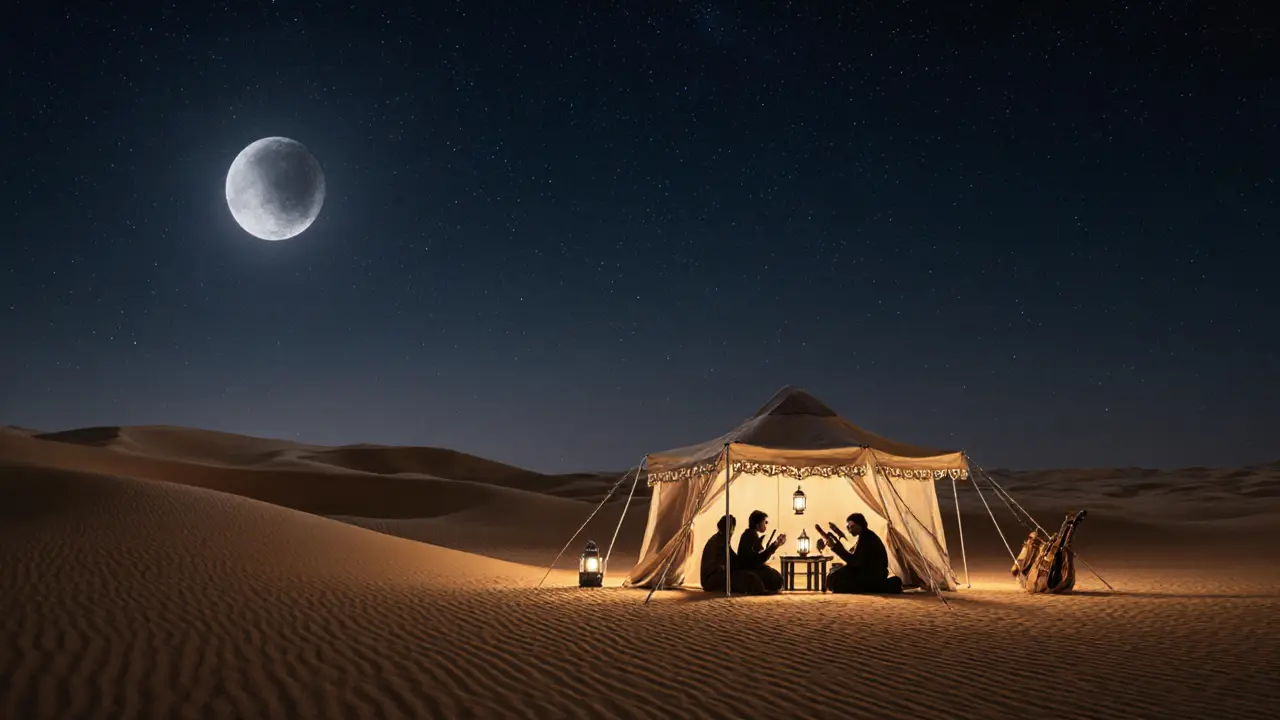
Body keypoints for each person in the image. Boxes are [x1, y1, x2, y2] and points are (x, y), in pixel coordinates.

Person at [826, 513, 903, 594]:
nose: (850, 529)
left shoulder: (868, 538)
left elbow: (855, 562)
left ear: (861, 525)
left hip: (872, 576)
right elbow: (854, 557)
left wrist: (835, 548)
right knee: (833, 576)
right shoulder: (864, 535)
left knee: (836, 580)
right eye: (848, 527)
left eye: (852, 526)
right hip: (866, 572)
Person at [700, 514, 766, 594]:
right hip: (711, 580)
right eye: (731, 529)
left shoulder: (719, 539)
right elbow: (733, 561)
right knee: (748, 578)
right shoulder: (720, 542)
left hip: (713, 577)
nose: (732, 532)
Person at [736, 510, 786, 593]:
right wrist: (775, 545)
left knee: (776, 576)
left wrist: (774, 546)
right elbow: (758, 559)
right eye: (764, 522)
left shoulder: (748, 534)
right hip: (750, 569)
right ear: (758, 524)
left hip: (749, 567)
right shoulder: (752, 535)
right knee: (776, 579)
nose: (765, 524)